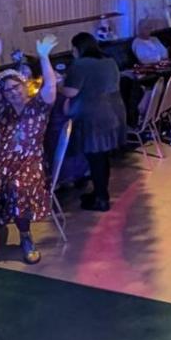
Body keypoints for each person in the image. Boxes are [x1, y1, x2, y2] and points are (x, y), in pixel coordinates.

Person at [0, 34, 58, 265]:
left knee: (19, 186)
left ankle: (26, 237)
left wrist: (44, 57)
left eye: (16, 87)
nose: (12, 92)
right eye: (7, 90)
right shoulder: (1, 106)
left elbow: (51, 86)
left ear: (25, 86)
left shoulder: (39, 106)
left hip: (29, 161)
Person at [62, 32, 127, 212]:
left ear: (77, 48)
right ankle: (100, 193)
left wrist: (59, 84)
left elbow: (70, 92)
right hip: (113, 113)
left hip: (93, 117)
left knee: (95, 158)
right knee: (102, 158)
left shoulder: (80, 64)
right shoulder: (109, 61)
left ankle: (101, 199)